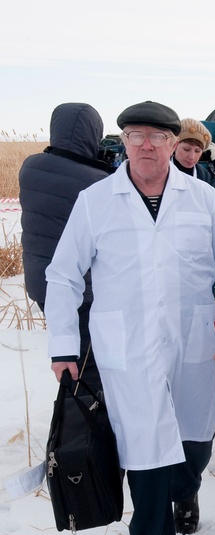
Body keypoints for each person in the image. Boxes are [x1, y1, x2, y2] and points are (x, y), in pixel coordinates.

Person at [44, 100, 215, 535]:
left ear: (172, 143)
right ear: (123, 142)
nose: (145, 145)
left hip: (191, 341)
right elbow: (64, 275)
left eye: (156, 137)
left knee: (194, 440)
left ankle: (187, 490)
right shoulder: (97, 200)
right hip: (127, 347)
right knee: (145, 450)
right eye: (135, 135)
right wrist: (63, 347)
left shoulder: (202, 199)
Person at [18, 102, 112, 389]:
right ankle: (80, 413)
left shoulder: (30, 167)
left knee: (69, 352)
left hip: (40, 281)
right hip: (78, 288)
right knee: (88, 365)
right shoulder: (96, 180)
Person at [172, 117, 215, 198]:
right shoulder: (160, 170)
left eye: (197, 151)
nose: (192, 157)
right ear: (174, 145)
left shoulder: (207, 177)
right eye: (186, 149)